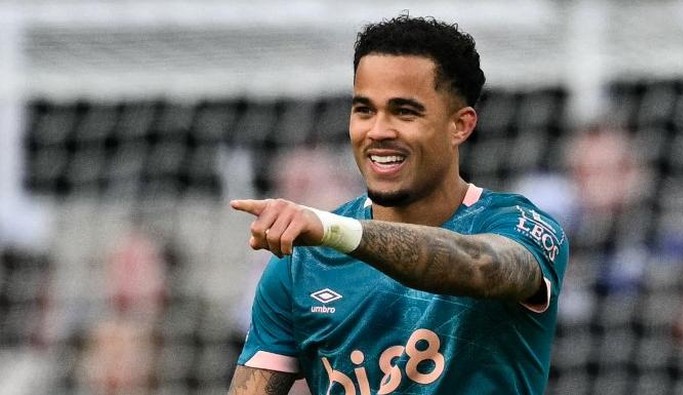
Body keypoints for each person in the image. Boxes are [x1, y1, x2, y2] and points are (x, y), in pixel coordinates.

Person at [227, 15, 569, 395]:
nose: (378, 131)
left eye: (404, 111)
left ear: (461, 125)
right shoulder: (300, 264)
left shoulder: (519, 224)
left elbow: (482, 267)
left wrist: (335, 233)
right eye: (364, 110)